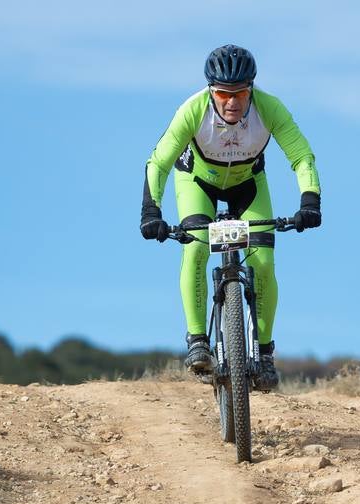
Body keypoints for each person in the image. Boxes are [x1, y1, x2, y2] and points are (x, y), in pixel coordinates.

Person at [140, 44, 321, 390]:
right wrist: (152, 211)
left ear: (251, 89)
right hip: (197, 182)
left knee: (264, 262)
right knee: (195, 248)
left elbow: (301, 155)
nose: (232, 102)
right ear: (212, 91)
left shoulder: (270, 109)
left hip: (248, 185)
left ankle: (264, 354)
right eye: (224, 93)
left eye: (240, 93)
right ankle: (197, 341)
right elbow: (159, 162)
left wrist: (309, 200)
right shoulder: (192, 110)